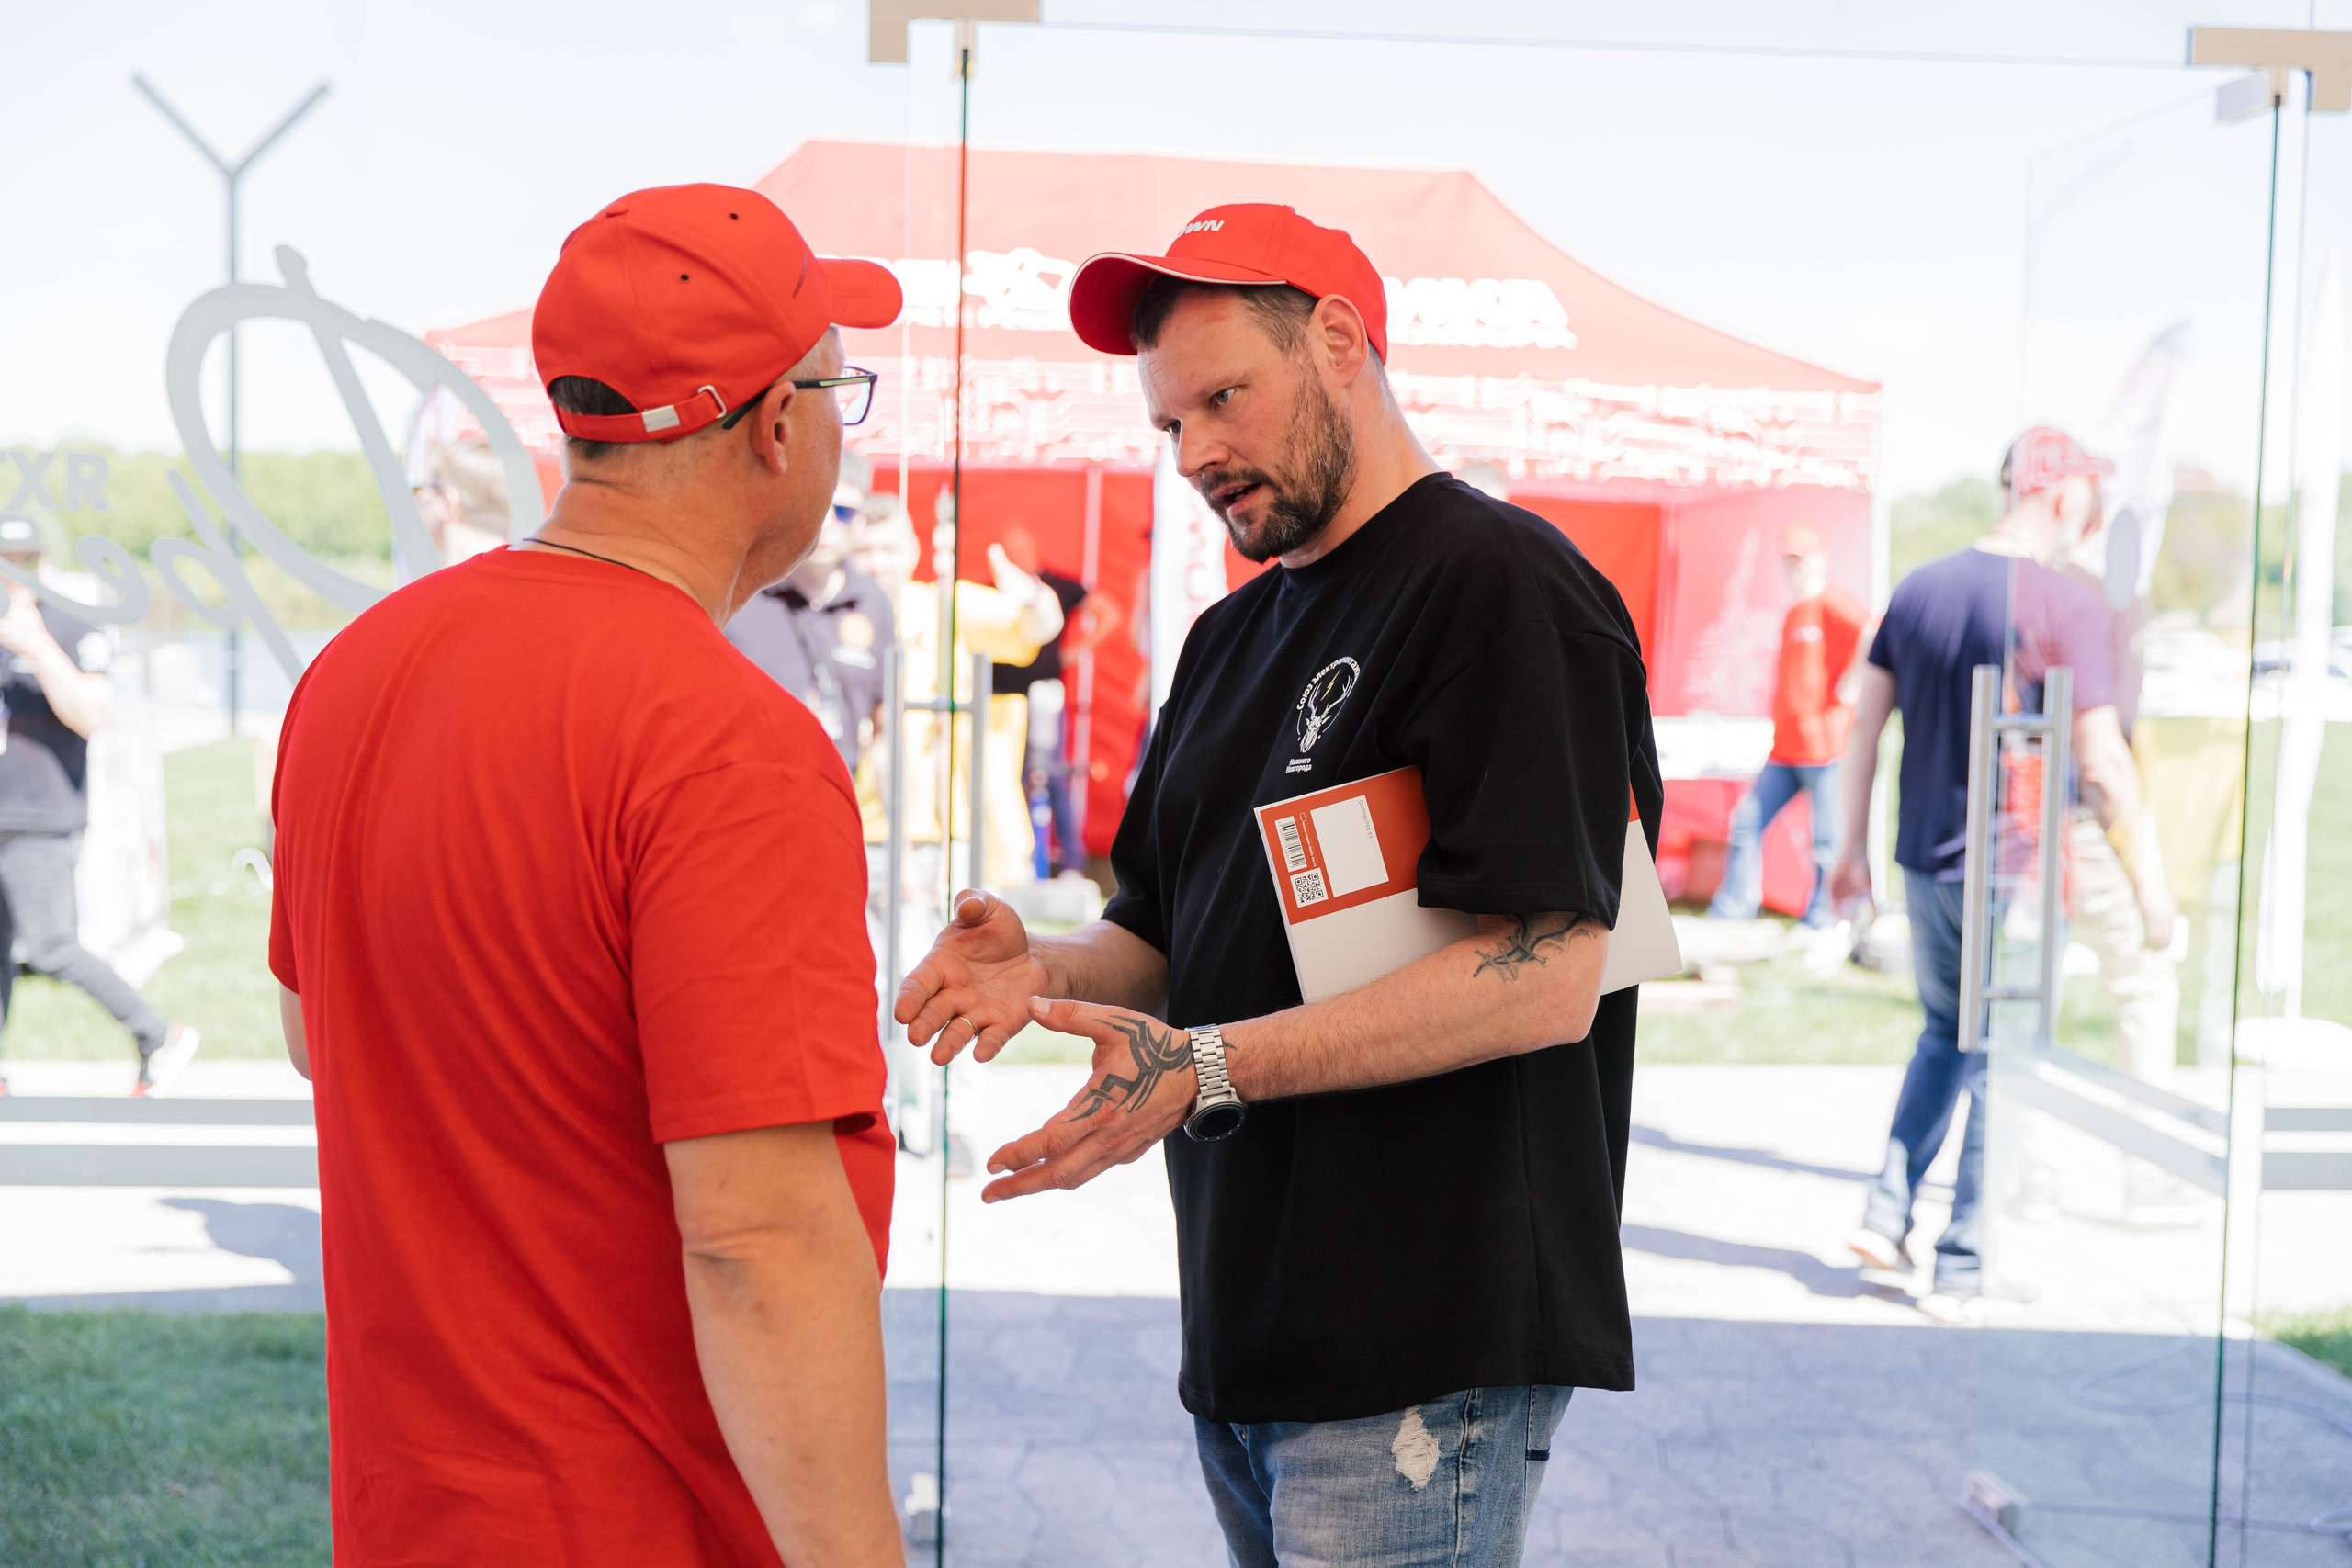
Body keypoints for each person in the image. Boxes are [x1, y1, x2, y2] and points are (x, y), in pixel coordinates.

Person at [897, 203, 1660, 1567]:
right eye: (1168, 424)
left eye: (1224, 400)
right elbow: (1164, 928)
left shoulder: (1502, 588)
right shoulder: (1228, 636)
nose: (1196, 453)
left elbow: (1551, 970)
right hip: (1252, 1328)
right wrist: (1050, 969)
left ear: (1342, 342)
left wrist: (1206, 1064)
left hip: (1423, 1339)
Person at [267, 184, 906, 1565]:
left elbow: (323, 1035)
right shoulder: (728, 742)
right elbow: (761, 1243)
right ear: (782, 423)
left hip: (414, 1507)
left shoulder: (354, 672)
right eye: (842, 384)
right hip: (637, 1518)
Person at [1828, 425, 2176, 1321]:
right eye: (2089, 506)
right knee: (1999, 1056)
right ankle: (1963, 1261)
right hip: (2014, 871)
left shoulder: (1918, 589)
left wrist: (1849, 854)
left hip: (1925, 860)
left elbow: (1862, 728)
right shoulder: (2062, 604)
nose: (2090, 524)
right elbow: (2100, 762)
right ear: (2058, 496)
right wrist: (2149, 885)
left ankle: (1887, 1212)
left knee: (1947, 1032)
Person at [0, 515, 195, 1097]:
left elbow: (92, 713)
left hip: (42, 815)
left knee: (53, 945)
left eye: (22, 561)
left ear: (39, 563)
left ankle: (156, 1035)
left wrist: (34, 645)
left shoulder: (69, 623)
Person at [1707, 525, 1867, 927]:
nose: (1795, 568)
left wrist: (1852, 682)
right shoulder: (1795, 611)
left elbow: (1872, 631)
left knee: (1827, 841)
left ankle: (1822, 917)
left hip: (1824, 748)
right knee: (1747, 822)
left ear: (1820, 560)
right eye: (1789, 561)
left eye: (1802, 559)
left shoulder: (1832, 604)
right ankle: (1733, 909)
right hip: (1785, 748)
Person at [726, 447, 899, 773]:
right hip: (744, 795)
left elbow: (883, 731)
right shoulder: (742, 590)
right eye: (820, 507)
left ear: (862, 519)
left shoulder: (875, 603)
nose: (829, 523)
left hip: (835, 798)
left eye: (845, 512)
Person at [989, 525, 1121, 878]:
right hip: (999, 700)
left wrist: (1076, 653)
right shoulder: (993, 592)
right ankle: (1014, 862)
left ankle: (1072, 862)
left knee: (1050, 775)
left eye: (1021, 551)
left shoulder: (1058, 586)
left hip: (1042, 693)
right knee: (1003, 776)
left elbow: (1109, 613)